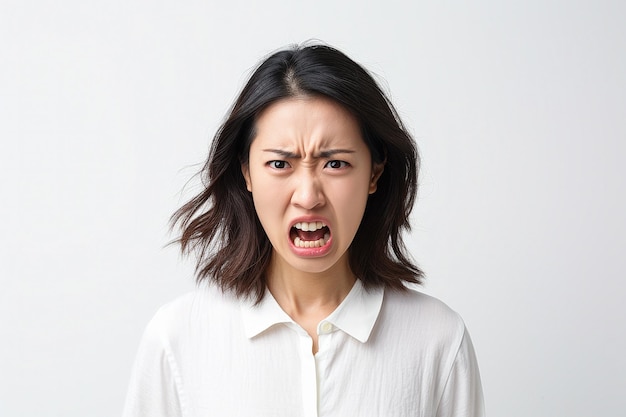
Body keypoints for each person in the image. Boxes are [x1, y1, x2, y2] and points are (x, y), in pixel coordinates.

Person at [122, 43, 485, 417]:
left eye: (336, 164)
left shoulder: (438, 340)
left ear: (374, 173)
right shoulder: (178, 337)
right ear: (246, 171)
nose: (308, 196)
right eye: (280, 163)